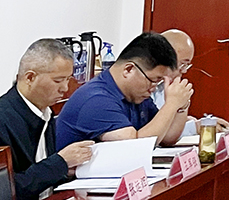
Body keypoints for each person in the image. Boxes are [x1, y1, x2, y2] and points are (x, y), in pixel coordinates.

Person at [0, 39, 94, 200]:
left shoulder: (44, 111)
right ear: (30, 77)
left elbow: (41, 171)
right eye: (58, 81)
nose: (65, 88)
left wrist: (66, 170)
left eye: (68, 79)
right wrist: (59, 163)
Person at [56, 32, 192, 147]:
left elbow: (167, 137)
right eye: (153, 80)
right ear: (129, 69)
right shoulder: (96, 99)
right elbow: (134, 147)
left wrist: (181, 105)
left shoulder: (137, 95)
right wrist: (171, 104)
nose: (154, 88)